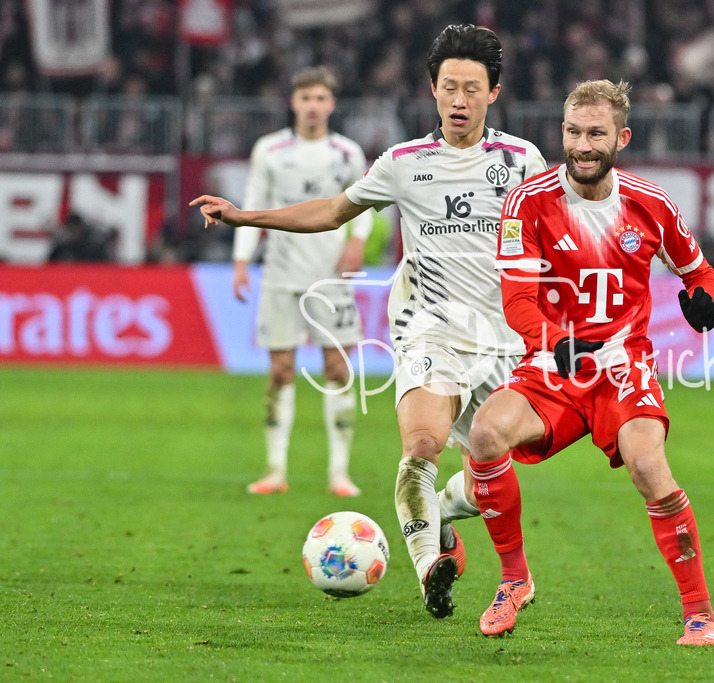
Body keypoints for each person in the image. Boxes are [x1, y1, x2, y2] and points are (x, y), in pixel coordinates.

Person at [191, 25, 547, 619]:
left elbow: (552, 234)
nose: (459, 101)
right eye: (449, 87)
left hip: (500, 338)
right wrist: (244, 217)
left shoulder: (521, 161)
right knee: (422, 448)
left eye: (472, 89)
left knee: (487, 468)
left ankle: (446, 520)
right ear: (432, 89)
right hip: (427, 327)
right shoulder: (403, 163)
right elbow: (333, 211)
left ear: (494, 93)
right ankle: (430, 566)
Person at [466, 79, 714, 646]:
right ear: (562, 132)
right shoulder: (528, 201)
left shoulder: (651, 204)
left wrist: (702, 300)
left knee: (648, 467)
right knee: (485, 433)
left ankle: (700, 613)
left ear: (622, 137)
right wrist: (551, 338)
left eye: (596, 134)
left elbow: (697, 271)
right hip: (553, 364)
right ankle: (514, 580)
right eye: (574, 132)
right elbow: (516, 299)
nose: (582, 145)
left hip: (622, 366)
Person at [230, 66, 372, 498]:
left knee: (337, 368)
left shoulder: (348, 153)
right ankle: (275, 470)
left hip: (331, 278)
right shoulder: (270, 150)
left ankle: (339, 472)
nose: (312, 106)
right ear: (294, 102)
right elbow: (253, 205)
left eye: (320, 98)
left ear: (331, 104)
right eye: (305, 98)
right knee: (280, 371)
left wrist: (357, 243)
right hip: (279, 274)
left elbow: (364, 202)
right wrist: (240, 260)